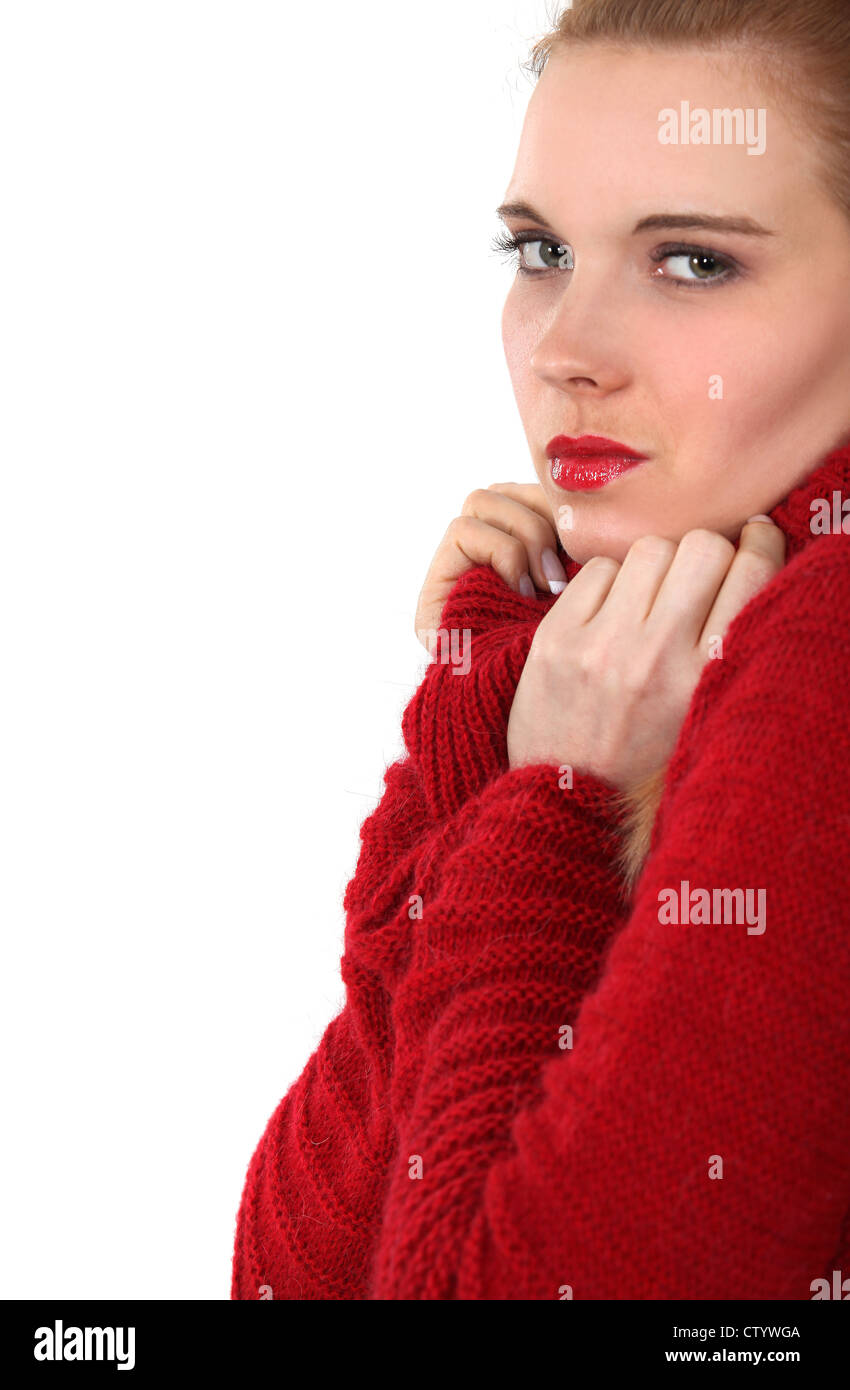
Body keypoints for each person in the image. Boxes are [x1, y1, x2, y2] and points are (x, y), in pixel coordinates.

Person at [231, 0, 850, 1299]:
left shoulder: (821, 649)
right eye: (539, 249)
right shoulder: (679, 622)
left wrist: (547, 807)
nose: (566, 351)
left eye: (690, 261)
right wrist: (484, 729)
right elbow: (294, 1271)